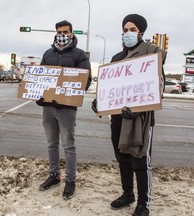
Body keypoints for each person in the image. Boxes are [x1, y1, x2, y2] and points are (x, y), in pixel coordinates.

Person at [92, 14, 166, 216]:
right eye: (125, 30)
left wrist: (138, 109)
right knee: (122, 158)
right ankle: (128, 194)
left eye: (132, 29)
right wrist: (99, 102)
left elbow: (158, 89)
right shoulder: (116, 59)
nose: (128, 33)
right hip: (117, 118)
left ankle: (144, 204)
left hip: (140, 120)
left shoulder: (151, 55)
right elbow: (110, 88)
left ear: (141, 32)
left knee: (140, 162)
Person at [36, 20, 92, 200]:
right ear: (55, 33)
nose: (62, 35)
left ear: (72, 33)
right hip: (48, 108)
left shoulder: (79, 55)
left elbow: (86, 81)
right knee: (51, 143)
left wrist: (68, 95)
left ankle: (71, 180)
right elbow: (40, 78)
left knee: (68, 145)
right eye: (59, 32)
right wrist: (38, 93)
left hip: (67, 109)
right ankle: (54, 175)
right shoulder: (47, 53)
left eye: (66, 32)